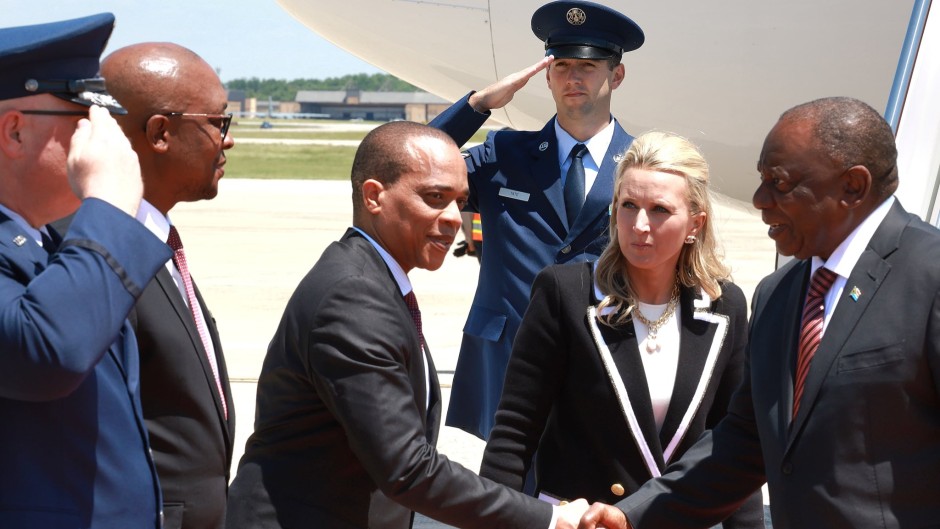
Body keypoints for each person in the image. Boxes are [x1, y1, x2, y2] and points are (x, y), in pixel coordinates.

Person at [578, 97, 940, 529]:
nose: (759, 199)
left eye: (779, 183)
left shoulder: (929, 278)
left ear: (853, 187)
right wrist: (632, 515)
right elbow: (744, 441)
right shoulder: (778, 294)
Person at [226, 121, 588, 529]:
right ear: (374, 197)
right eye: (434, 198)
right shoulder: (354, 298)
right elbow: (408, 469)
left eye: (461, 201)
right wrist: (551, 519)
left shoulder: (372, 279)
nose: (454, 218)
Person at [480, 131, 764, 528]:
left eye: (660, 209)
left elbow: (733, 447)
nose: (640, 225)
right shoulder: (566, 293)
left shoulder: (724, 306)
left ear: (695, 224)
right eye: (628, 205)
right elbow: (514, 432)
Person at [429, 0, 645, 439]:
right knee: (511, 499)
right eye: (561, 64)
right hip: (508, 357)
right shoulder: (504, 154)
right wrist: (476, 105)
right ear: (546, 75)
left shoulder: (644, 163)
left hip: (605, 357)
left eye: (588, 64)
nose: (573, 76)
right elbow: (409, 164)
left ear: (616, 75)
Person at [0, 14, 173, 529]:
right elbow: (48, 352)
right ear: (13, 131)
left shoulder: (48, 241)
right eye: (84, 117)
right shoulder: (80, 236)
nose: (106, 138)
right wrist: (110, 204)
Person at [100, 43, 236, 529]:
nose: (228, 140)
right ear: (160, 132)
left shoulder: (153, 241)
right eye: (218, 123)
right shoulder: (103, 257)